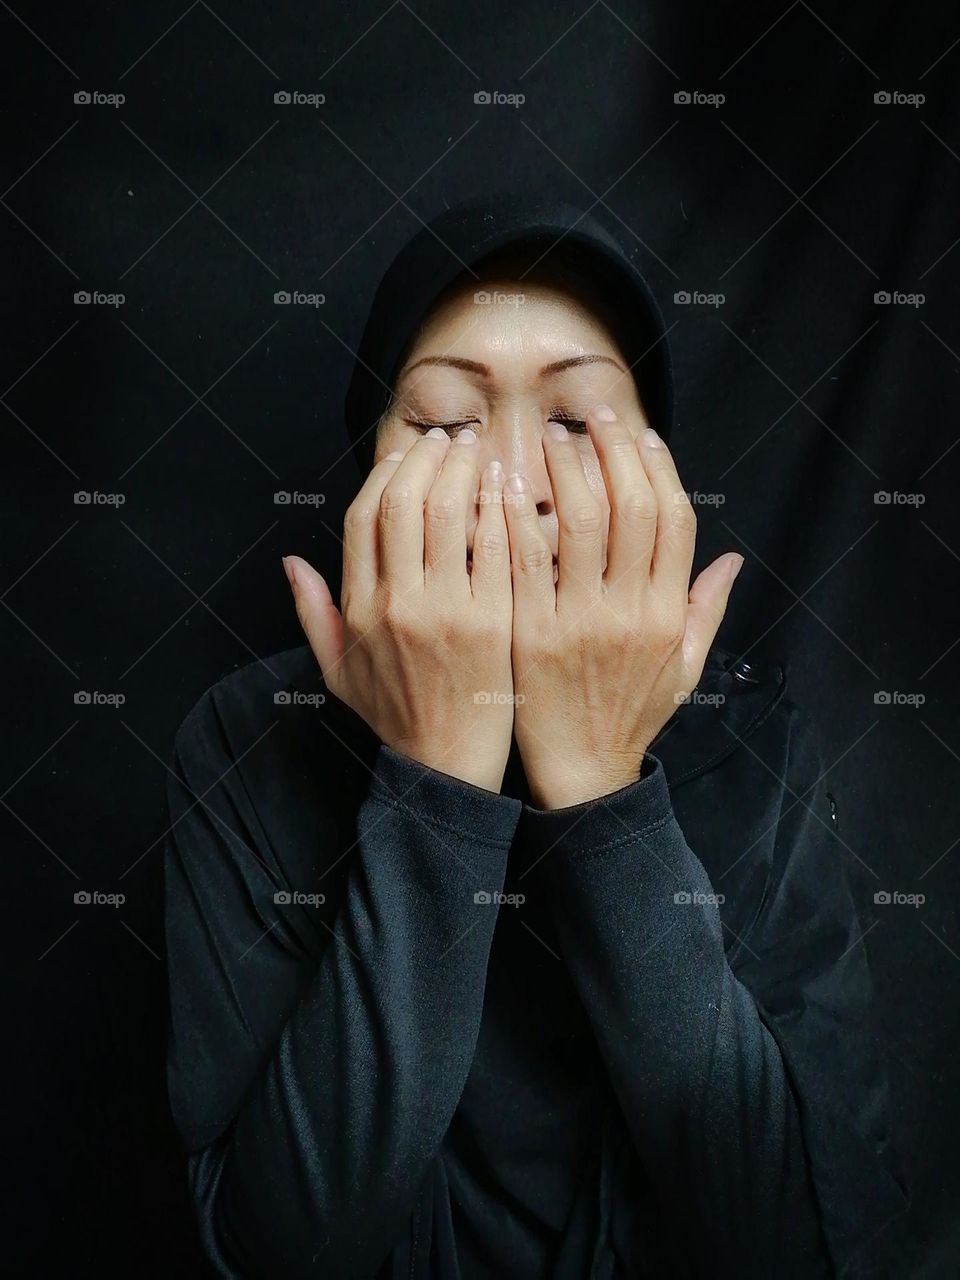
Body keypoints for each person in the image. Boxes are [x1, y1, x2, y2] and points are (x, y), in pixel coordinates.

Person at [162, 195, 909, 1278]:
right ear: (369, 476)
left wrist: (603, 788)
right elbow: (271, 1254)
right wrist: (439, 771)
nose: (513, 489)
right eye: (447, 424)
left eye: (575, 421)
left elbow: (804, 1246)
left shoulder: (750, 746)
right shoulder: (247, 742)